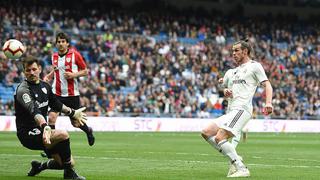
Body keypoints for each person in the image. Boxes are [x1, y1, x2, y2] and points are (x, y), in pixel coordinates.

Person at [201, 39, 273, 178]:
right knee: (206, 132)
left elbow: (268, 85)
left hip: (242, 110)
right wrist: (226, 91)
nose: (233, 54)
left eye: (236, 51)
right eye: (232, 51)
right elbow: (226, 87)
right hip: (231, 111)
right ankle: (234, 157)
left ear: (245, 51)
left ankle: (241, 167)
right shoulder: (232, 72)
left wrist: (268, 103)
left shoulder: (254, 66)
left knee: (219, 137)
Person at [15, 56, 87, 179]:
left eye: (34, 69)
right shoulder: (23, 90)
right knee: (63, 134)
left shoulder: (45, 86)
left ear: (40, 69)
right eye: (28, 70)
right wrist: (45, 126)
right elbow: (35, 111)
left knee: (65, 162)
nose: (31, 73)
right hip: (28, 134)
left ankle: (39, 167)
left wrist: (73, 113)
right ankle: (69, 174)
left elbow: (56, 104)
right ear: (24, 72)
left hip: (44, 131)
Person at [44, 32, 94, 146]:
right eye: (59, 42)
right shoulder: (54, 56)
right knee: (51, 118)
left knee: (75, 123)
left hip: (72, 95)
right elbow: (56, 69)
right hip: (56, 93)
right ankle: (51, 145)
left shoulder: (75, 55)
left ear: (67, 43)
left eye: (63, 41)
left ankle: (88, 131)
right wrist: (49, 76)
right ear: (56, 44)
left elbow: (85, 71)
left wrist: (73, 75)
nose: (61, 44)